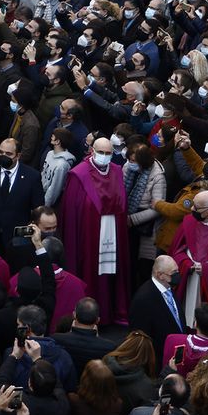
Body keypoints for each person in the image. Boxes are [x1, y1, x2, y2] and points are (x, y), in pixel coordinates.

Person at [58, 135, 130, 324]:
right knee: (90, 268)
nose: (105, 156)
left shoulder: (116, 170)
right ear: (92, 151)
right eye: (101, 152)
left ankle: (112, 311)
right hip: (88, 234)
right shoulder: (78, 174)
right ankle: (89, 313)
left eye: (108, 153)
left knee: (112, 270)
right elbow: (73, 210)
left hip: (112, 230)